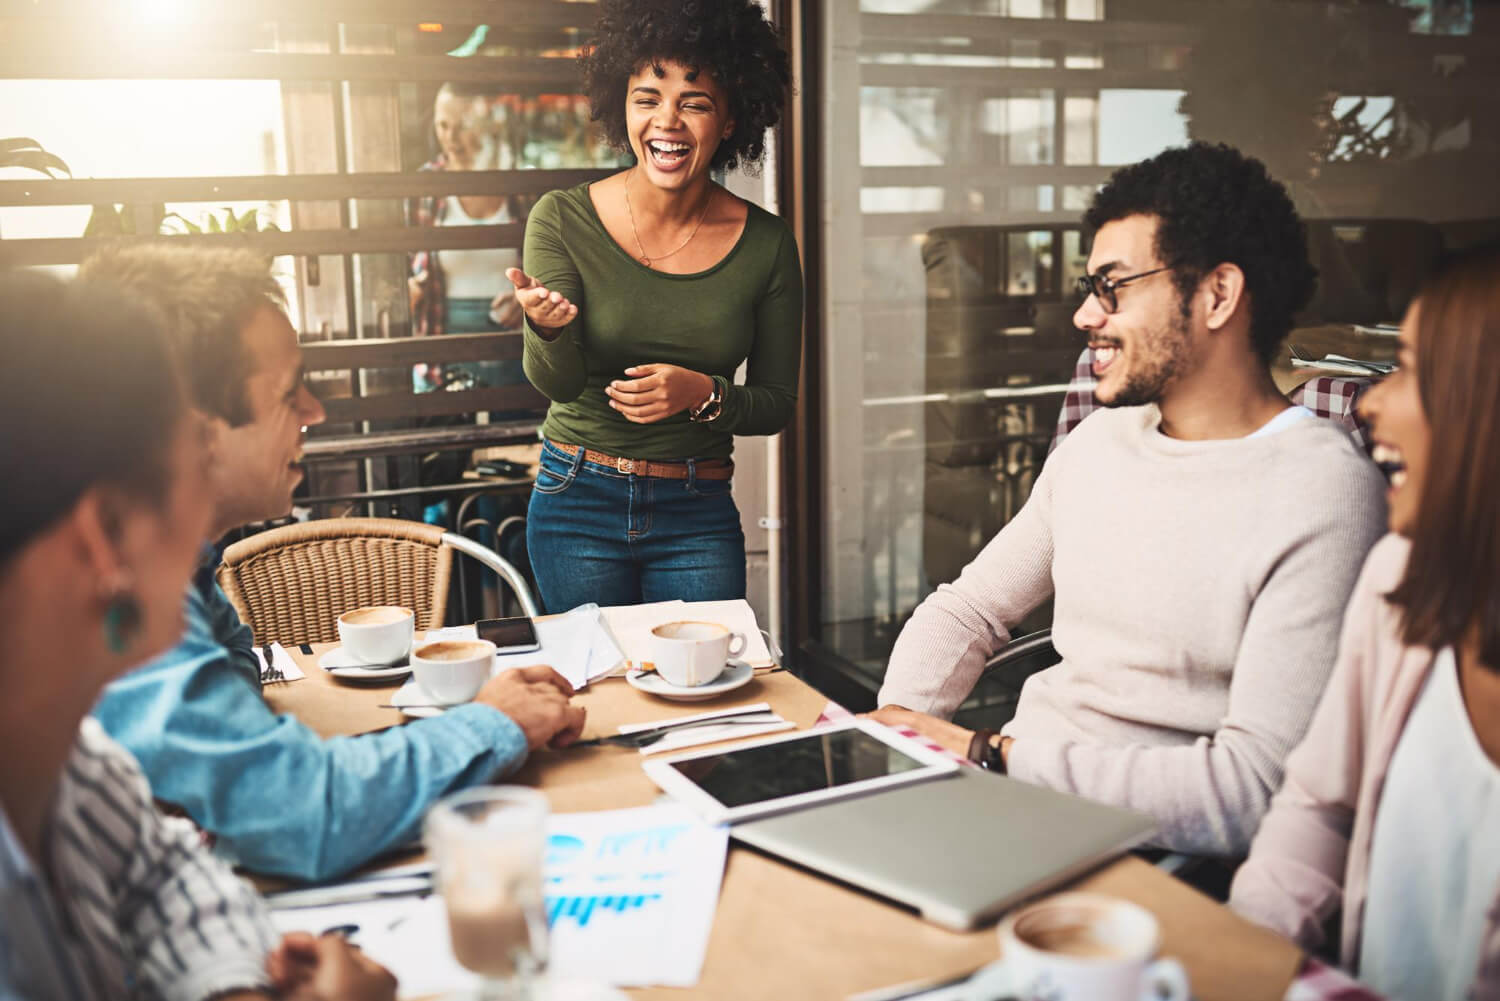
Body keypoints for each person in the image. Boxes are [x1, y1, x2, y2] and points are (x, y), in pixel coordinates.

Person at [872, 143, 1387, 857]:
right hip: (1008, 805)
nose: (1086, 314)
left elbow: (1254, 789)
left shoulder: (1324, 490)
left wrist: (989, 754)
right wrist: (896, 737)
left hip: (1143, 853)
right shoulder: (1099, 442)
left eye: (1113, 286)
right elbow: (970, 608)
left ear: (1217, 294)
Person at [81, 244, 587, 883]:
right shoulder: (115, 594)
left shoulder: (176, 561)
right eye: (289, 394)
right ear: (194, 433)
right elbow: (300, 812)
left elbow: (238, 693)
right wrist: (496, 721)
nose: (315, 412)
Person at [0, 271, 395, 1000]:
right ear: (105, 535)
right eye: (193, 454)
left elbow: (167, 876)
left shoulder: (69, 761)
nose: (208, 490)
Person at [1230, 245, 1500, 1001]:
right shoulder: (1401, 580)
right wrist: (1239, 963)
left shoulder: (1326, 489)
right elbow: (1319, 809)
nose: (1369, 403)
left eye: (1409, 369)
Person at [505, 0, 802, 612]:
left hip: (696, 511)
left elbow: (775, 404)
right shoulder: (561, 218)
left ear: (730, 120)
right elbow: (559, 385)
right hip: (576, 500)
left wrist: (703, 394)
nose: (667, 121)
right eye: (647, 98)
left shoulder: (768, 245)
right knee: (596, 673)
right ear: (623, 106)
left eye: (695, 103)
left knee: (705, 672)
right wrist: (545, 328)